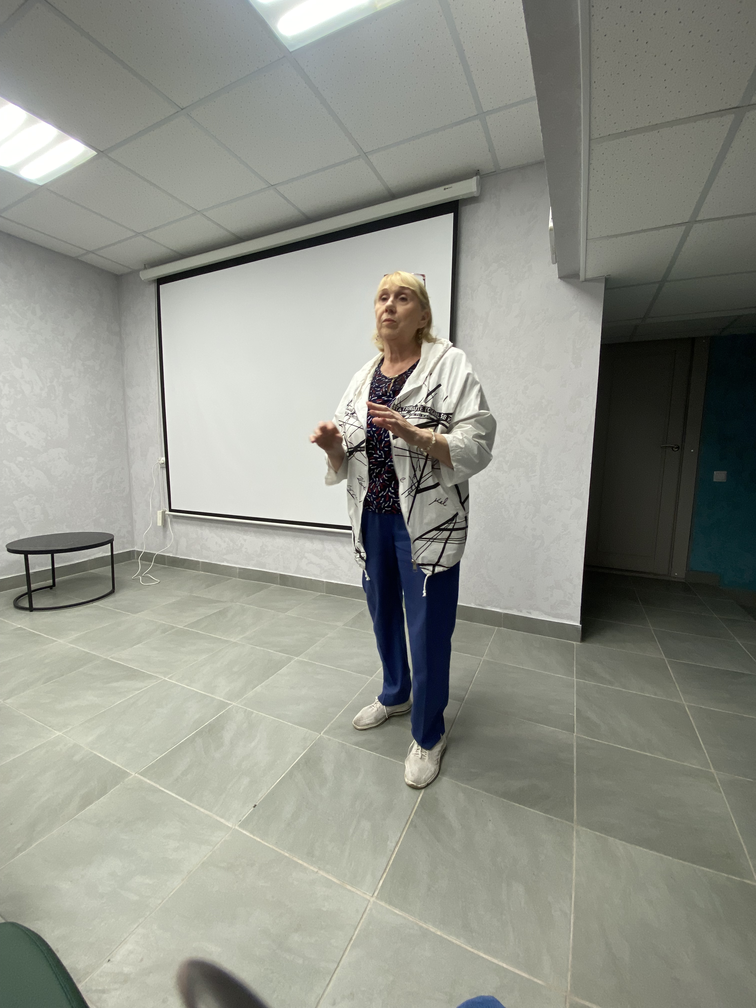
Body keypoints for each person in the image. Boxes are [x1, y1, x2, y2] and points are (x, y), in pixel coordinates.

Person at [310, 271, 496, 789]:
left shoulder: (449, 366)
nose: (389, 305)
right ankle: (395, 694)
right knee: (383, 614)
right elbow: (350, 452)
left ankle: (429, 733)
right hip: (372, 517)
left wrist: (417, 435)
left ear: (423, 314)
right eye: (382, 297)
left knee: (428, 627)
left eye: (402, 297)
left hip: (427, 521)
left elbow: (478, 441)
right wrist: (331, 445)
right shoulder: (362, 377)